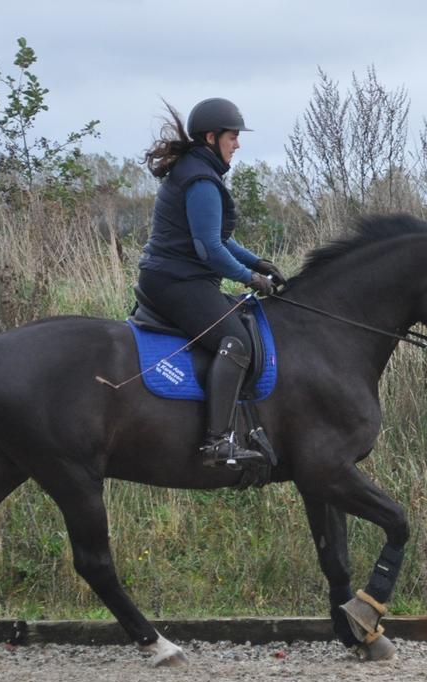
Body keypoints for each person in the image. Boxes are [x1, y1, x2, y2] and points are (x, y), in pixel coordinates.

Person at [137, 98, 287, 468]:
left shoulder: (197, 170)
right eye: (233, 137)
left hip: (174, 277)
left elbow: (216, 235)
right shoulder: (201, 179)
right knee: (233, 341)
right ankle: (217, 442)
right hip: (177, 281)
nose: (237, 144)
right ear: (211, 136)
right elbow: (209, 249)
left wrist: (258, 261)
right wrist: (249, 277)